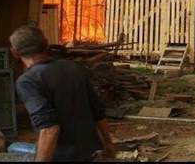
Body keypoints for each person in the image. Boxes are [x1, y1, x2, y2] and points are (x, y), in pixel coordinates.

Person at [9, 25, 116, 162]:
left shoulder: (28, 81)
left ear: (14, 52)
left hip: (62, 156)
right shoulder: (72, 68)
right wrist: (108, 144)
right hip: (90, 153)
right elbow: (98, 112)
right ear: (46, 44)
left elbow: (50, 128)